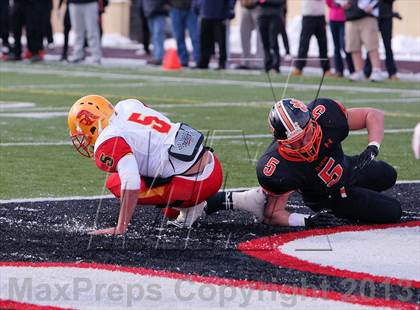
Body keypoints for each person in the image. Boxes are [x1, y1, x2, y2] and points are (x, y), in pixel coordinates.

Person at [67, 95, 225, 234]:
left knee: (115, 183)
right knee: (169, 212)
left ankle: (191, 205)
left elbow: (131, 181)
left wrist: (121, 227)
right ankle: (243, 199)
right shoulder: (127, 105)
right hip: (212, 164)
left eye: (84, 135)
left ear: (92, 126)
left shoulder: (108, 139)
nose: (85, 141)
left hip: (197, 183)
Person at [253, 98, 401, 226]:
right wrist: (306, 221)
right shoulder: (277, 166)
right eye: (295, 142)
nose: (305, 144)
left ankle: (363, 195)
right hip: (329, 197)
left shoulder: (325, 115)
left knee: (389, 174)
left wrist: (372, 147)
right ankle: (352, 203)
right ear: (282, 142)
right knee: (393, 211)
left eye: (306, 135)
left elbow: (373, 114)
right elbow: (272, 214)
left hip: (348, 167)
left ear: (312, 122)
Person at [342, 0, 383, 81]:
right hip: (351, 17)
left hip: (367, 16)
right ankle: (359, 71)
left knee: (372, 45)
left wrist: (373, 6)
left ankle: (376, 70)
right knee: (354, 46)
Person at [292, 0, 332, 76]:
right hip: (308, 15)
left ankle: (326, 68)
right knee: (304, 43)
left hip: (320, 15)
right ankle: (299, 67)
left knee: (323, 43)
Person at [195, 0, 236, 70]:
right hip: (206, 12)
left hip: (220, 13)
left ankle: (222, 62)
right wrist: (196, 5)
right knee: (205, 40)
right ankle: (204, 62)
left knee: (222, 41)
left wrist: (230, 8)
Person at [363, 0, 398, 80]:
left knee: (387, 46)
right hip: (372, 17)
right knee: (371, 45)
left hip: (386, 17)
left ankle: (392, 72)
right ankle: (367, 72)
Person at [326, 0, 355, 77]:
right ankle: (338, 70)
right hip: (333, 19)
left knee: (345, 46)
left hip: (344, 19)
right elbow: (328, 2)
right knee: (336, 47)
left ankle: (352, 70)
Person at [255, 0, 286, 73]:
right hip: (262, 16)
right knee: (265, 43)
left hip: (274, 16)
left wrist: (266, 1)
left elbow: (281, 2)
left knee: (273, 42)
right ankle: (267, 65)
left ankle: (275, 66)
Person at [68, 0, 102, 64]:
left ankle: (96, 57)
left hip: (90, 3)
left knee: (92, 31)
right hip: (74, 3)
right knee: (77, 32)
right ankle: (77, 55)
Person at [169, 0, 200, 67]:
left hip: (190, 9)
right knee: (178, 36)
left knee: (195, 36)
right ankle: (183, 60)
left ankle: (198, 59)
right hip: (175, 8)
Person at [142, 0, 169, 66]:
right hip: (149, 11)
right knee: (154, 36)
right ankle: (155, 56)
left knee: (158, 35)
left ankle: (159, 57)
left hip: (159, 11)